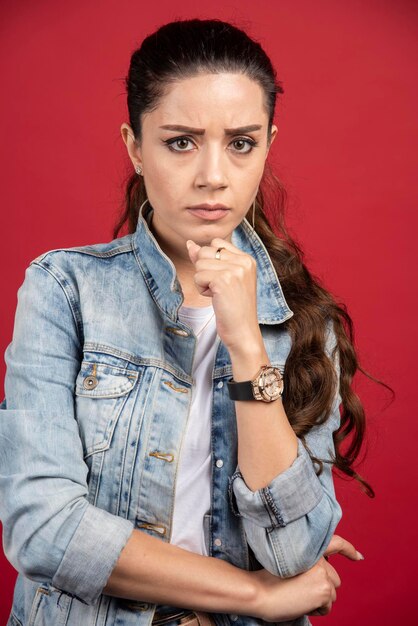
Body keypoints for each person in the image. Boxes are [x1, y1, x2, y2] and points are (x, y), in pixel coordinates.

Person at [0, 18, 373, 626]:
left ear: (269, 145)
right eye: (180, 142)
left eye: (241, 143)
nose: (213, 176)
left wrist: (248, 347)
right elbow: (42, 526)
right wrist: (255, 594)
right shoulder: (65, 289)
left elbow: (293, 550)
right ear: (134, 146)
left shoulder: (306, 322)